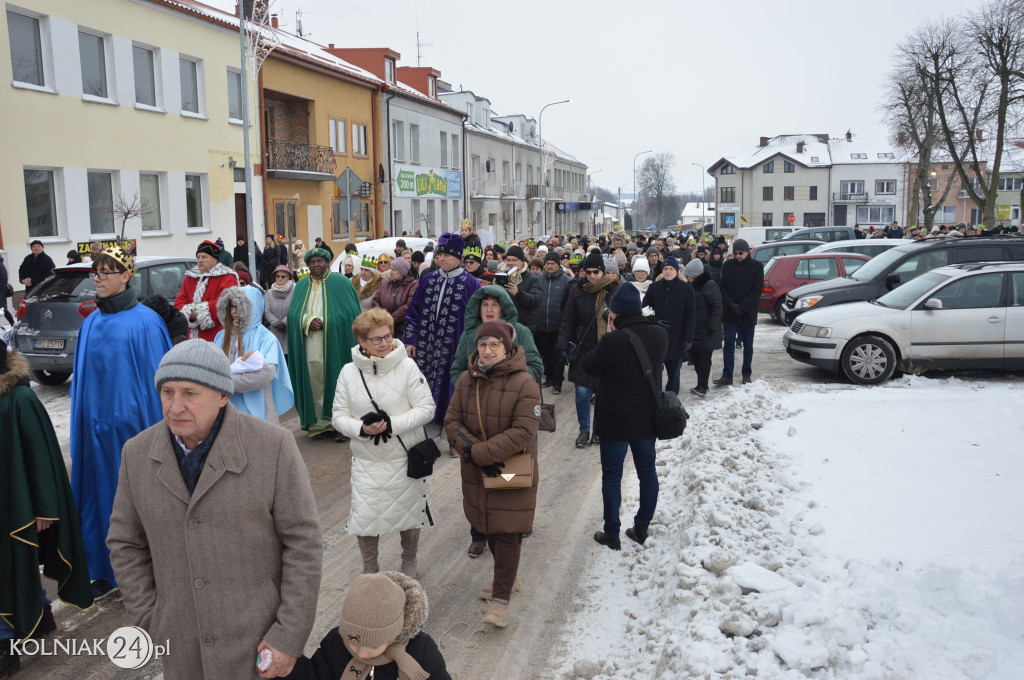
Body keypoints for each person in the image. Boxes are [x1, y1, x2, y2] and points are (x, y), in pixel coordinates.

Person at [107, 340, 322, 680]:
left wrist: (288, 636)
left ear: (223, 396)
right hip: (181, 648)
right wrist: (150, 617)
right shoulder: (137, 454)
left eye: (189, 394)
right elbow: (124, 543)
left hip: (258, 645)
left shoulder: (272, 446)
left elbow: (304, 544)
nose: (175, 406)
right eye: (167, 392)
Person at [70, 245, 172, 599]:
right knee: (99, 498)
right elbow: (81, 385)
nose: (96, 280)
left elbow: (160, 385)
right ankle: (101, 567)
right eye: (94, 273)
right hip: (94, 433)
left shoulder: (146, 322)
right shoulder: (91, 323)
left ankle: (150, 572)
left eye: (104, 273)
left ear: (126, 276)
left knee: (136, 501)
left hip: (133, 432)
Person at [0, 338, 93, 674]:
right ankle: (39, 614)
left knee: (10, 570)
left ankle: (5, 645)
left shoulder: (20, 399)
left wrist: (43, 510)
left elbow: (41, 458)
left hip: (17, 504)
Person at [444, 320, 540, 629]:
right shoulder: (466, 379)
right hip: (476, 465)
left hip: (510, 465)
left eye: (494, 345)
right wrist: (471, 450)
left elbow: (525, 430)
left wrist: (481, 453)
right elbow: (452, 419)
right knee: (487, 523)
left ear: (507, 347)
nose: (487, 350)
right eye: (483, 345)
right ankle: (508, 578)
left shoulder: (525, 382)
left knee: (507, 529)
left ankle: (501, 600)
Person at [331, 309, 435, 579]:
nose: (385, 344)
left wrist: (392, 423)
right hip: (366, 460)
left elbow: (427, 409)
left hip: (403, 456)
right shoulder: (348, 373)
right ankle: (370, 567)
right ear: (361, 341)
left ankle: (409, 560)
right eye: (376, 339)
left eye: (388, 336)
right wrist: (361, 429)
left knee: (409, 510)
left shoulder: (407, 366)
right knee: (364, 517)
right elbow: (338, 417)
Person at [448, 286, 542, 556]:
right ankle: (479, 533)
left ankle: (513, 527)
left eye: (495, 304)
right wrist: (468, 390)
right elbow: (457, 369)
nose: (488, 309)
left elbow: (535, 366)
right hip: (477, 421)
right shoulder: (471, 335)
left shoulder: (520, 332)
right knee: (478, 481)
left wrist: (514, 387)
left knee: (510, 477)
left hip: (509, 418)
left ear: (505, 307)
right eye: (484, 304)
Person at [583, 284, 668, 551]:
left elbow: (590, 366)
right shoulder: (659, 334)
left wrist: (609, 333)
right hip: (646, 420)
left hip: (615, 420)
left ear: (614, 315)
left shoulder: (612, 340)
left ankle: (612, 534)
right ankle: (641, 527)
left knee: (612, 477)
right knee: (647, 473)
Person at [285, 572, 450, 680]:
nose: (362, 654)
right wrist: (287, 665)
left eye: (374, 645)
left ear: (392, 635)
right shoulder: (335, 642)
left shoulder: (422, 651)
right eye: (354, 642)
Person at [402, 232, 482, 433]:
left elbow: (477, 320)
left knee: (453, 389)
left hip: (454, 347)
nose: (441, 259)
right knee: (423, 386)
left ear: (458, 257)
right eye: (439, 255)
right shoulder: (427, 280)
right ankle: (426, 428)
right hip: (426, 347)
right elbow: (413, 312)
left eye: (446, 255)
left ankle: (453, 433)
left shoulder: (471, 284)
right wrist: (411, 340)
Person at [287, 247, 361, 438]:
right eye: (313, 262)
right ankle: (318, 424)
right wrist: (307, 321)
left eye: (320, 261)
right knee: (312, 379)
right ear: (308, 265)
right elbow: (294, 315)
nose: (316, 265)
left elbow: (351, 316)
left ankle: (341, 426)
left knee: (338, 380)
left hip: (336, 343)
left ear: (327, 263)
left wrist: (328, 322)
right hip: (309, 344)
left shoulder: (342, 283)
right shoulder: (302, 286)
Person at [557, 252, 618, 448]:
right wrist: (563, 345)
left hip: (605, 349)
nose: (592, 276)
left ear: (602, 272)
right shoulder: (577, 290)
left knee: (602, 392)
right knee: (582, 392)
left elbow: (621, 319)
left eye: (596, 272)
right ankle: (584, 430)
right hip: (583, 348)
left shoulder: (613, 290)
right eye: (588, 272)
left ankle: (599, 430)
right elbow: (567, 319)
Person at [214, 286, 293, 425]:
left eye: (238, 307)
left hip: (259, 411)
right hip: (227, 410)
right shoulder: (222, 336)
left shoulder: (266, 337)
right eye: (231, 307)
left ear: (251, 308)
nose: (233, 312)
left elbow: (266, 373)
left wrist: (225, 382)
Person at [714, 239, 764, 386]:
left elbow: (757, 290)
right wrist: (730, 303)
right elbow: (722, 286)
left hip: (748, 312)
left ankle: (746, 374)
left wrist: (742, 306)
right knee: (728, 344)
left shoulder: (757, 266)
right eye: (735, 253)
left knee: (748, 345)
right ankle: (727, 375)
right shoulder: (728, 265)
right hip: (730, 312)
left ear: (747, 252)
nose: (738, 256)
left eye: (740, 253)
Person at [642, 257, 695, 395]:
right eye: (665, 268)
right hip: (657, 340)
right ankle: (657, 401)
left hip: (677, 339)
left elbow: (691, 315)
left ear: (676, 271)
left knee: (674, 375)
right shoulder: (654, 288)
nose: (668, 271)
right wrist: (655, 320)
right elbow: (644, 309)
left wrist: (689, 338)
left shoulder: (687, 289)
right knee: (656, 374)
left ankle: (672, 401)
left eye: (671, 269)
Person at [173, 240, 239, 341]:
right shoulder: (190, 277)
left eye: (204, 257)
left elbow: (224, 305)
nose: (200, 260)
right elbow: (178, 304)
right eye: (198, 257)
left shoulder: (227, 277)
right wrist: (192, 313)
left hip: (218, 337)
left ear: (214, 260)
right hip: (192, 338)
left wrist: (196, 312)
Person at [532, 252, 572, 395]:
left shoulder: (566, 280)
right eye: (547, 264)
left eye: (552, 264)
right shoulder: (538, 279)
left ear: (558, 264)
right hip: (542, 324)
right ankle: (548, 377)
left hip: (559, 325)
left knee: (558, 355)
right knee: (545, 353)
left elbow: (569, 303)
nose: (549, 266)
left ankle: (557, 382)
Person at [683, 259, 723, 397]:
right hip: (697, 330)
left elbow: (717, 307)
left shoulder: (709, 286)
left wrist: (712, 325)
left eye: (688, 274)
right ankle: (700, 385)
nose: (686, 276)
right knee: (697, 359)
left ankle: (703, 387)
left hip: (707, 330)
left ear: (694, 274)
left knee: (704, 360)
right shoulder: (693, 286)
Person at [371, 256, 418, 338]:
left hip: (403, 332)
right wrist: (382, 317)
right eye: (390, 269)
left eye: (393, 270)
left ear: (402, 272)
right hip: (384, 329)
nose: (390, 272)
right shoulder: (384, 284)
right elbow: (375, 301)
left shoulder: (412, 285)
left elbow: (409, 306)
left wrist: (390, 319)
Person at [502, 245, 541, 327]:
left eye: (514, 260)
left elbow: (535, 301)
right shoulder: (501, 275)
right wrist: (494, 285)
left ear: (522, 261)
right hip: (504, 323)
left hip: (524, 325)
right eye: (508, 260)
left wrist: (518, 293)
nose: (510, 263)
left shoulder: (533, 278)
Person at [264, 264, 295, 368]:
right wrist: (276, 323)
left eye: (283, 276)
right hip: (275, 332)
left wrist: (285, 322)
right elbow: (267, 311)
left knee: (290, 363)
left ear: (288, 278)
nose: (280, 278)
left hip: (290, 331)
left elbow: (294, 309)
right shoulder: (269, 293)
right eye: (278, 276)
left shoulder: (294, 290)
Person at [0, 252, 13, 326]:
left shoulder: (0, 265)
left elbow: (4, 279)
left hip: (1, 292)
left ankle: (12, 323)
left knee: (3, 309)